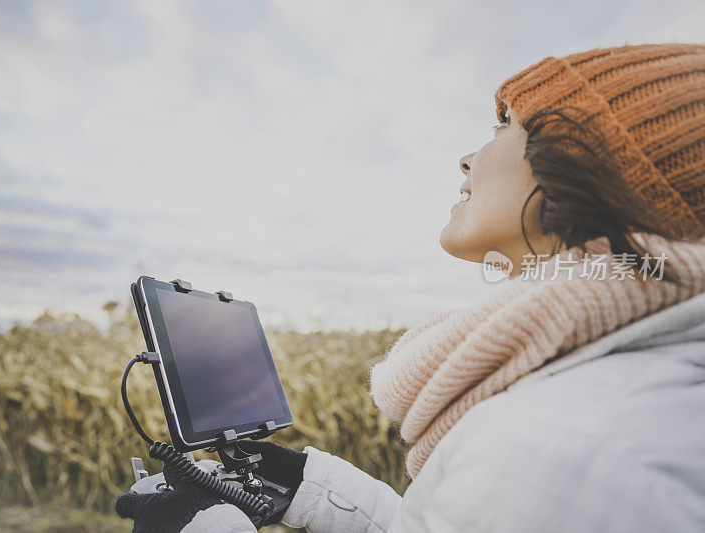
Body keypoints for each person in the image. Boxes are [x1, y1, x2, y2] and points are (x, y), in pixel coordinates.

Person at [115, 43, 705, 532]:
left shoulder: (560, 445)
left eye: (505, 123)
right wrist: (308, 488)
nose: (468, 158)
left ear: (586, 160)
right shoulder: (605, 395)